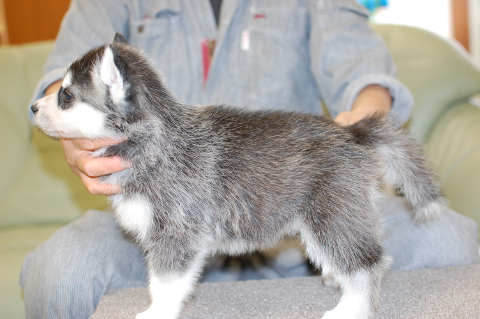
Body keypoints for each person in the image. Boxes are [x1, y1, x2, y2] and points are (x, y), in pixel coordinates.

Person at [21, 0, 480, 318]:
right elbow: (61, 76)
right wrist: (70, 127)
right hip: (153, 222)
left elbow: (358, 63)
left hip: (284, 207)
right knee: (61, 269)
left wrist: (365, 111)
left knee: (452, 243)